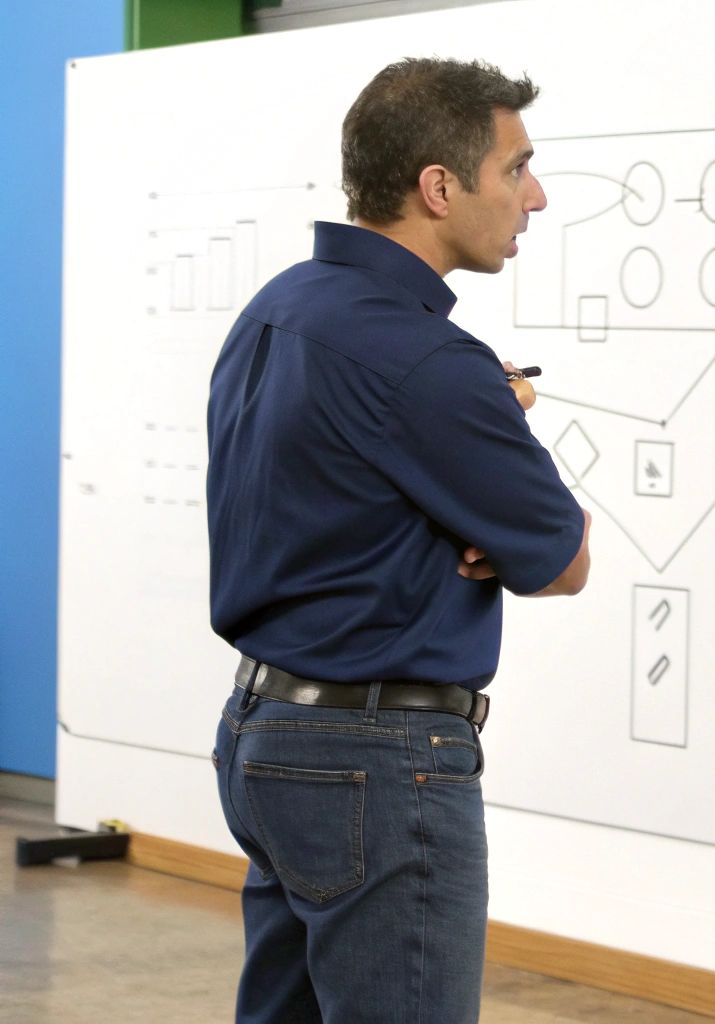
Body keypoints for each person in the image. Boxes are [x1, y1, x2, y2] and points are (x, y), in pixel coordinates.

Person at [205, 58, 589, 1023]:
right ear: (438, 186)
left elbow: (331, 484)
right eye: (516, 169)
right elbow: (564, 558)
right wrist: (490, 468)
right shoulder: (429, 363)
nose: (534, 197)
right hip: (377, 761)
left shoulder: (281, 308)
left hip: (263, 737)